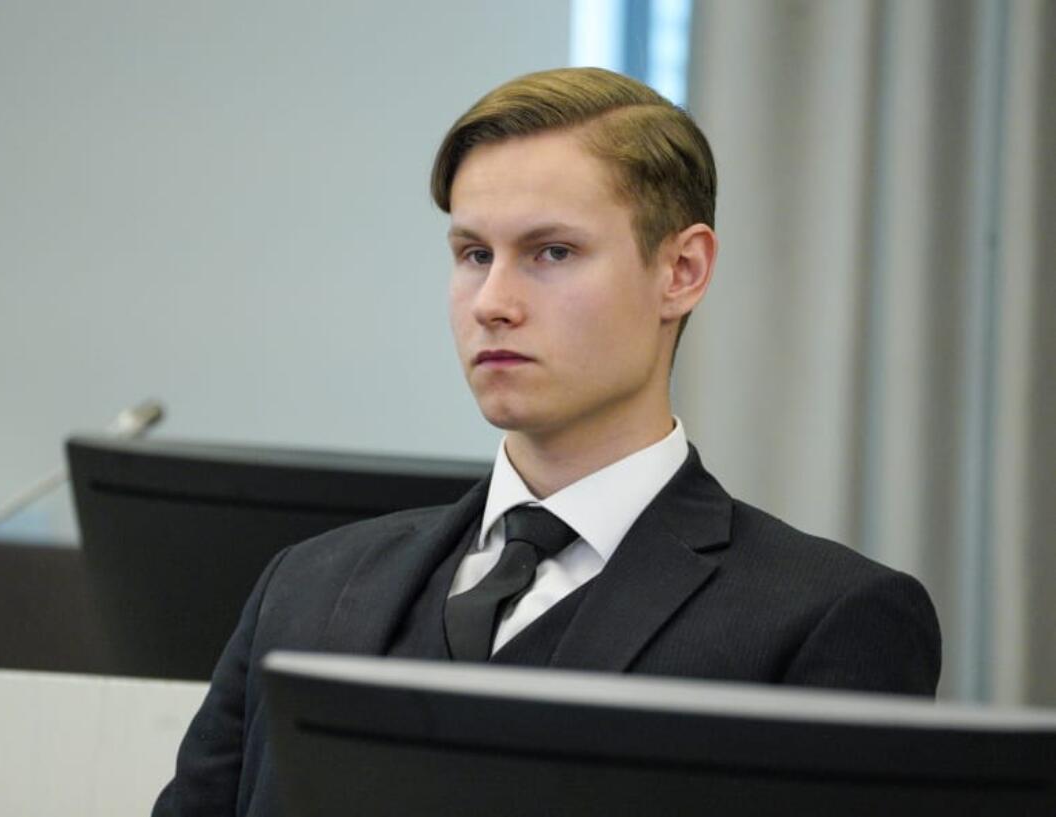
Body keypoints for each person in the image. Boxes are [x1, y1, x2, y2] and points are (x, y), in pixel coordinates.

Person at [152, 67, 941, 817]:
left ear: (682, 270)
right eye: (473, 255)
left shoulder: (827, 618)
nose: (492, 301)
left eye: (551, 252)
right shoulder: (306, 585)